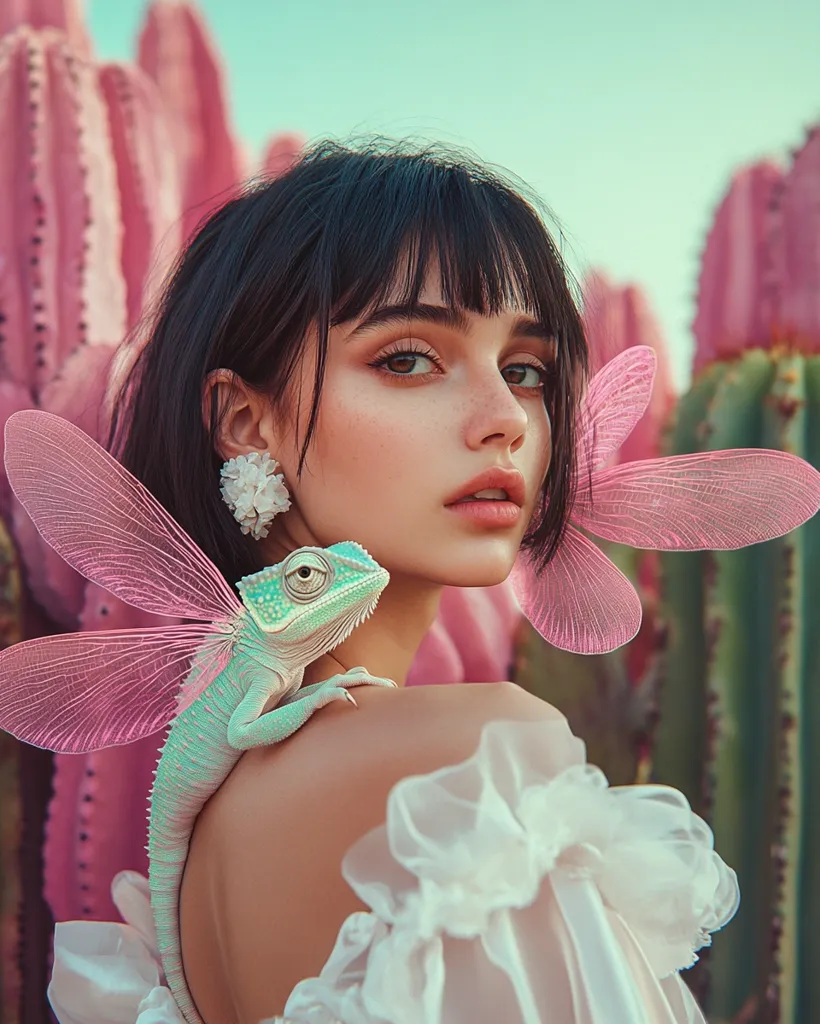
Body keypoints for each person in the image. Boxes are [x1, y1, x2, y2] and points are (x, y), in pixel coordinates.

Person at [10, 139, 816, 1023]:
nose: (506, 418)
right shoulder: (473, 759)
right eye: (407, 359)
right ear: (245, 422)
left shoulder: (215, 825)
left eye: (526, 371)